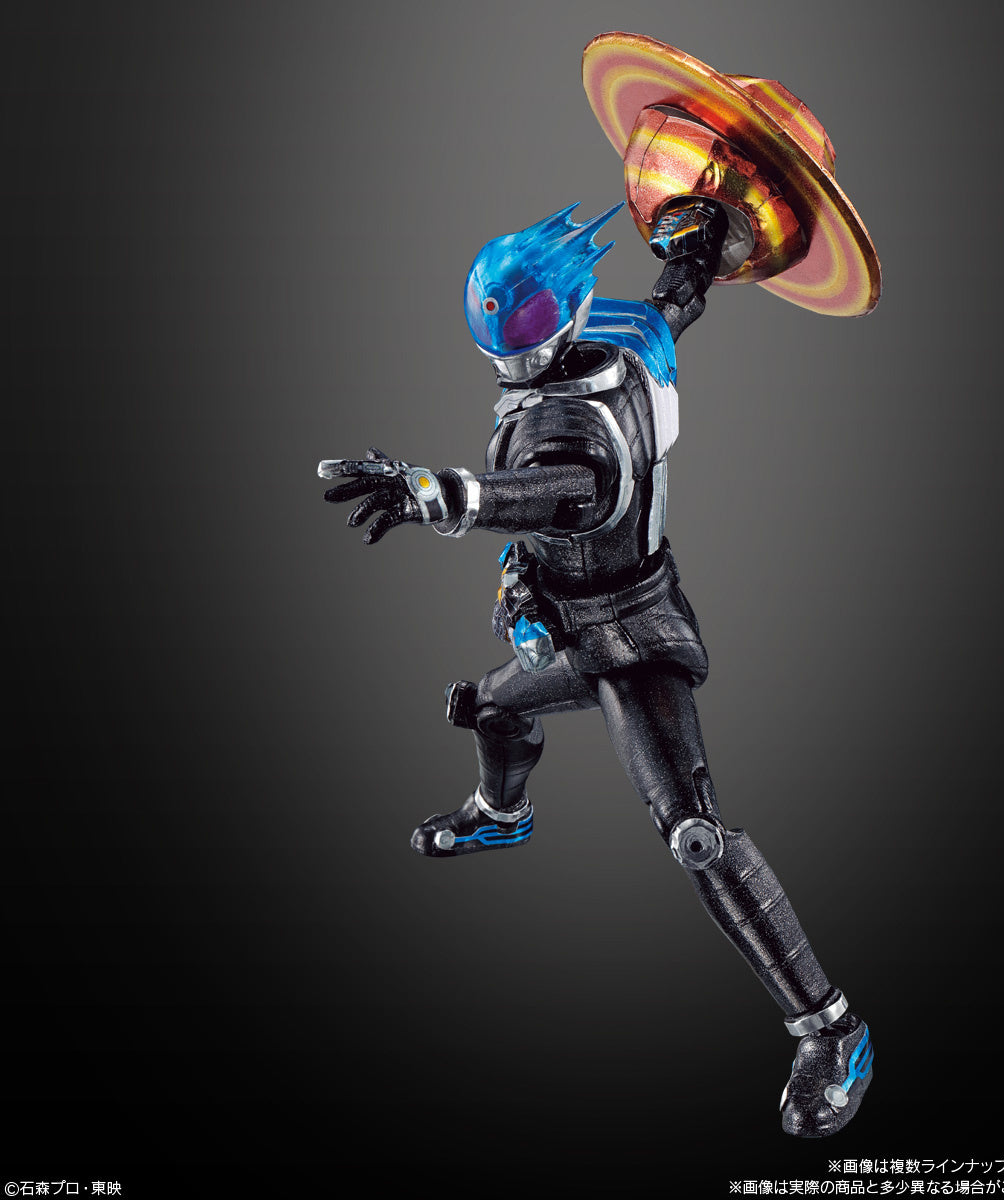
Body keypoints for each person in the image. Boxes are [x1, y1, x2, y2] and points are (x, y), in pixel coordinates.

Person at [319, 199, 872, 1135]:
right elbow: (679, 296)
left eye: (527, 338)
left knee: (694, 834)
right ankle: (503, 815)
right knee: (485, 707)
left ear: (564, 319)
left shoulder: (580, 438)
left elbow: (544, 492)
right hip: (564, 621)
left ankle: (833, 1030)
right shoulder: (628, 334)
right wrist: (703, 236)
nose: (515, 361)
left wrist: (432, 493)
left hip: (633, 640)